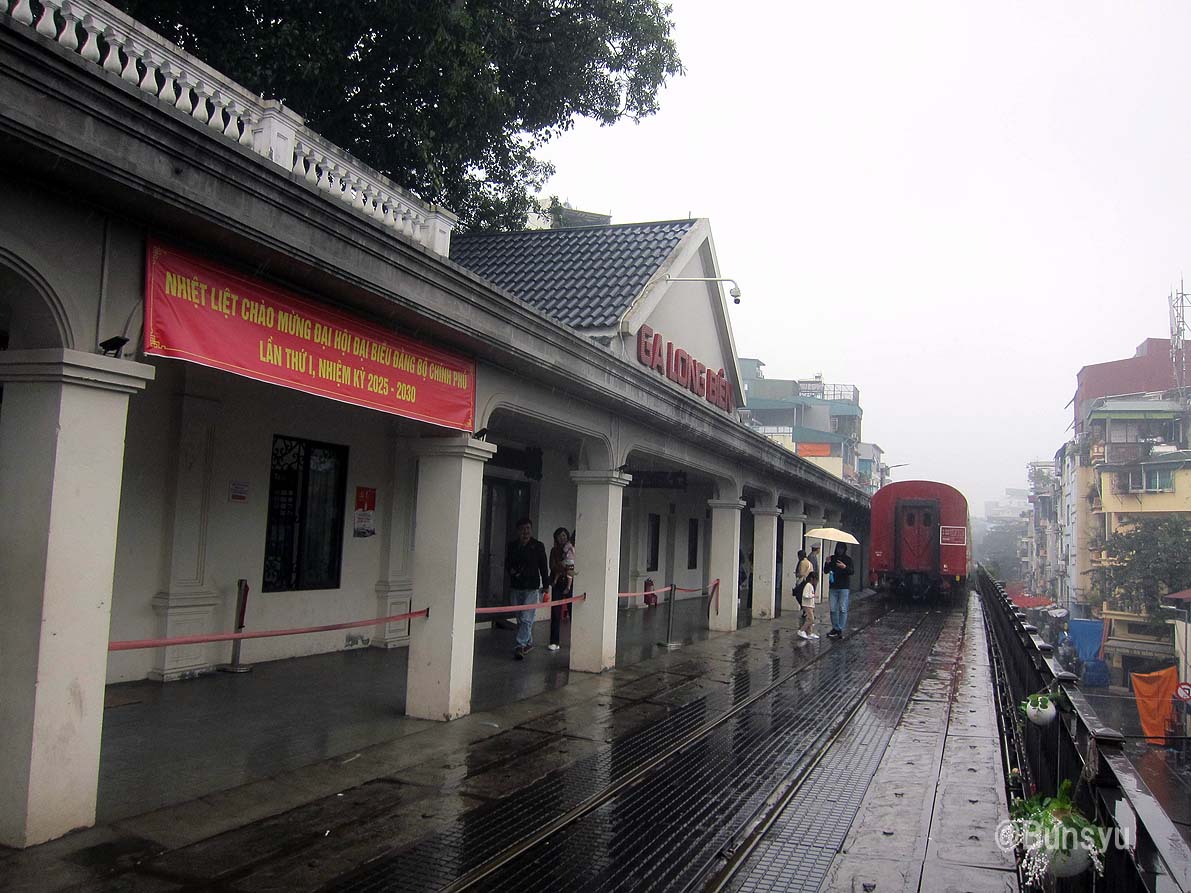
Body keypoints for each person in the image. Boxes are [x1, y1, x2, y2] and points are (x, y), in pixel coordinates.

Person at [505, 518, 549, 659]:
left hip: (531, 587)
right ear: (518, 531)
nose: (525, 532)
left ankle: (520, 645)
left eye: (528, 528)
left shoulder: (538, 546)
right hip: (516, 586)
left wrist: (546, 585)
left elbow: (543, 566)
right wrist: (512, 571)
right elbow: (507, 563)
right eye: (522, 529)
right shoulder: (512, 546)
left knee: (526, 617)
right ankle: (528, 642)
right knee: (519, 617)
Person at [548, 527, 576, 652]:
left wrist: (567, 568)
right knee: (555, 612)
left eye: (564, 535)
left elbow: (573, 565)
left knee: (573, 612)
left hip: (570, 583)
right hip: (558, 584)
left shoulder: (572, 549)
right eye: (559, 536)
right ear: (556, 538)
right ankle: (554, 641)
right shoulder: (554, 551)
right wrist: (563, 566)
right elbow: (552, 566)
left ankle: (577, 639)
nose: (562, 538)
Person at [825, 542, 854, 638]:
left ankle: (840, 628)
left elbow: (851, 571)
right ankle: (835, 628)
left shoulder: (848, 559)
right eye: (838, 548)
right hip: (833, 586)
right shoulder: (832, 558)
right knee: (833, 608)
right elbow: (825, 571)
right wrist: (827, 563)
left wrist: (844, 567)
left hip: (844, 587)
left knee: (843, 608)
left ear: (844, 549)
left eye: (841, 548)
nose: (839, 550)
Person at [796, 572, 819, 640]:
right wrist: (812, 596)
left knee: (809, 619)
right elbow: (805, 595)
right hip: (807, 605)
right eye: (815, 579)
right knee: (811, 619)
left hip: (810, 605)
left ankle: (810, 633)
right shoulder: (808, 585)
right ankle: (801, 630)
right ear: (812, 579)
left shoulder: (810, 585)